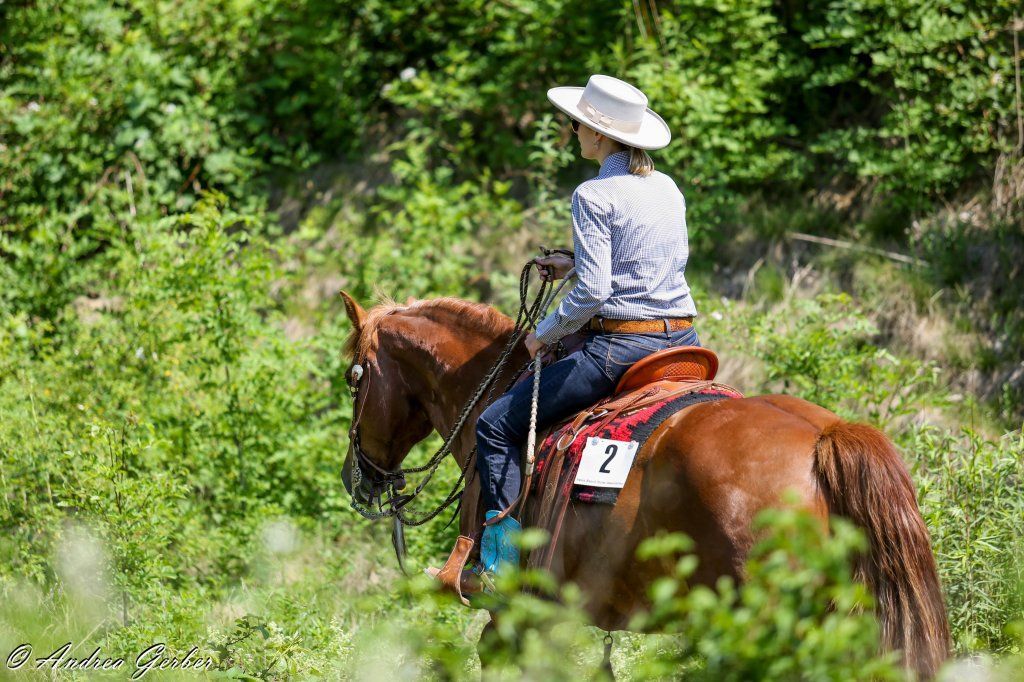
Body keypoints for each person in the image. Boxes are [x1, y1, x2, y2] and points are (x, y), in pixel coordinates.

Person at [473, 74, 701, 585]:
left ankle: (499, 572)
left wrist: (544, 334)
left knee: (494, 425)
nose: (573, 131)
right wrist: (574, 261)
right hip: (685, 343)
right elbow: (652, 260)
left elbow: (596, 293)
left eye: (578, 124)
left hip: (622, 346)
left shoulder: (593, 195)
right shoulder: (666, 186)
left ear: (599, 136)